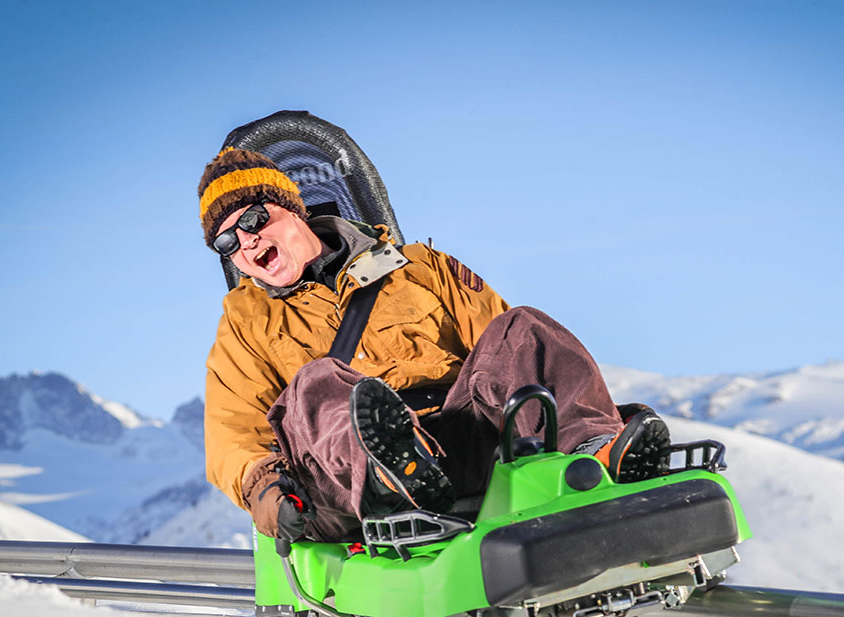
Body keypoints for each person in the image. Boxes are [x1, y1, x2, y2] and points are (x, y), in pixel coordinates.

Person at [199, 147, 670, 545]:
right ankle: (395, 475)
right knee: (318, 381)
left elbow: (504, 357)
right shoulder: (245, 321)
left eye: (256, 218)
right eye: (226, 241)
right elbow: (232, 434)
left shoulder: (418, 268)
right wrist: (264, 488)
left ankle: (596, 453)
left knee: (520, 327)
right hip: (349, 482)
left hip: (458, 444)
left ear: (294, 208)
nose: (246, 240)